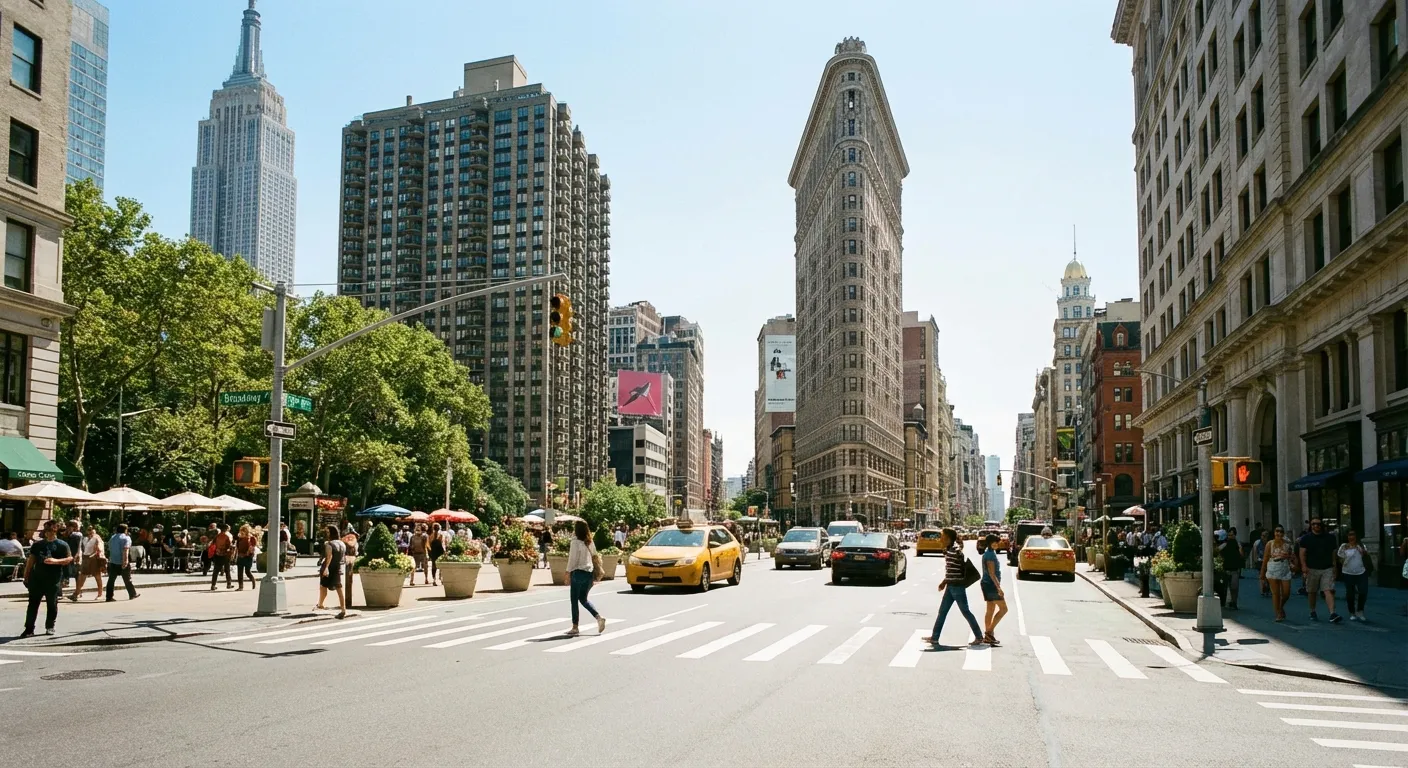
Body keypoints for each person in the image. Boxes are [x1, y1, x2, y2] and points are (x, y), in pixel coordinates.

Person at [924, 527, 984, 647]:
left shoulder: (953, 551)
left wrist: (945, 582)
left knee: (965, 611)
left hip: (956, 586)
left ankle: (979, 636)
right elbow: (952, 570)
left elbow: (956, 570)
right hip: (952, 585)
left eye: (942, 536)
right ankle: (934, 638)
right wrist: (945, 582)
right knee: (942, 612)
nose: (940, 538)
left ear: (948, 538)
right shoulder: (951, 549)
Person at [19, 520, 72, 637]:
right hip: (37, 578)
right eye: (47, 530)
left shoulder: (62, 545)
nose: (49, 533)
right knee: (33, 604)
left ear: (56, 530)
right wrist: (26, 576)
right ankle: (29, 629)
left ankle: (50, 626)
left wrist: (56, 561)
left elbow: (69, 559)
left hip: (53, 579)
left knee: (52, 604)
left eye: (51, 530)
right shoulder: (38, 545)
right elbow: (31, 560)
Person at [1298, 517, 1341, 623]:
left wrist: (1334, 567)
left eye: (1318, 524)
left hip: (1327, 568)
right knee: (1312, 592)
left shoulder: (1330, 538)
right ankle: (1312, 610)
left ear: (1321, 525)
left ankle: (1332, 613)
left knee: (1328, 590)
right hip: (1311, 568)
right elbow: (1302, 553)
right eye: (1313, 524)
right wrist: (1303, 566)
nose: (1316, 526)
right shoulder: (1306, 538)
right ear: (1311, 526)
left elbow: (1333, 553)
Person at [565, 520, 604, 636]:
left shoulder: (575, 542)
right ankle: (599, 617)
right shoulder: (589, 541)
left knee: (574, 600)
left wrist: (567, 572)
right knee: (583, 599)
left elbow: (572, 560)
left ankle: (575, 627)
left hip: (577, 573)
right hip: (589, 573)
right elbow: (595, 555)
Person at [1260, 525, 1293, 621]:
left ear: (1283, 533)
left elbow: (1292, 556)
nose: (1279, 533)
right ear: (1274, 533)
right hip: (1272, 568)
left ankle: (1280, 606)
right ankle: (1278, 613)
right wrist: (1262, 572)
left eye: (1281, 531)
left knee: (1286, 593)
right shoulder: (1270, 544)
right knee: (1276, 593)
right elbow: (1265, 558)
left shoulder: (1287, 544)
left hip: (1284, 569)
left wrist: (1293, 563)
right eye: (1277, 531)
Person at [979, 534, 1008, 646]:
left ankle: (988, 636)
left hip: (987, 584)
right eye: (994, 542)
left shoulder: (989, 553)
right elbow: (992, 573)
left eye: (997, 542)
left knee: (990, 610)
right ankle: (989, 632)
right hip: (990, 585)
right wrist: (998, 587)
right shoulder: (990, 555)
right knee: (1004, 609)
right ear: (989, 543)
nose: (996, 544)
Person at [1336, 529, 1369, 622]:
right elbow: (1340, 559)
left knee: (1363, 591)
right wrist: (1347, 556)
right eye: (1349, 535)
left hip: (1361, 572)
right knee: (1350, 594)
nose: (1351, 537)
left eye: (1353, 535)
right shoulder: (1343, 546)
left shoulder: (1361, 545)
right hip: (1348, 572)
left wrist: (1360, 549)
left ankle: (1360, 610)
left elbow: (1365, 554)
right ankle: (1352, 612)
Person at [316, 525, 347, 619]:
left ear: (331, 533)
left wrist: (326, 568)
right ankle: (343, 609)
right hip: (337, 567)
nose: (327, 534)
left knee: (323, 586)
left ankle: (320, 604)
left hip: (329, 567)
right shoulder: (342, 543)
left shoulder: (329, 544)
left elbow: (329, 557)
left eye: (328, 532)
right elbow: (343, 557)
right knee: (339, 588)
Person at [71, 525, 105, 602]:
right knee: (82, 576)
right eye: (89, 530)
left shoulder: (97, 538)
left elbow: (99, 549)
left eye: (92, 531)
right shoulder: (85, 539)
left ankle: (100, 594)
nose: (90, 533)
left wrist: (94, 553)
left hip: (94, 559)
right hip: (85, 558)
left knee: (97, 576)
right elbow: (81, 548)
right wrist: (79, 555)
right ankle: (76, 593)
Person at [1219, 530, 1244, 610]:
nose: (1230, 537)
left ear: (1235, 535)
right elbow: (1218, 550)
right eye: (1229, 535)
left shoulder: (1238, 544)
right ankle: (1225, 602)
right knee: (1225, 587)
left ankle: (1234, 602)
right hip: (1226, 568)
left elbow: (1242, 555)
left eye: (1232, 535)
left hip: (1235, 569)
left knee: (1234, 587)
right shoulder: (1225, 544)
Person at [210, 522, 234, 591]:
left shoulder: (217, 536)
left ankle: (213, 585)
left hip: (217, 554)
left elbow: (213, 543)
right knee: (227, 570)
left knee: (216, 571)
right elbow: (228, 546)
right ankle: (229, 584)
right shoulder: (227, 537)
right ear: (226, 529)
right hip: (225, 555)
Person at [234, 524, 257, 590]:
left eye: (243, 531)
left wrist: (248, 552)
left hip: (248, 557)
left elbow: (253, 547)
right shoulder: (240, 539)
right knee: (239, 573)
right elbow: (237, 548)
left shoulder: (251, 538)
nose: (241, 532)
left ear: (247, 531)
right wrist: (236, 556)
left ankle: (253, 581)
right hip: (240, 557)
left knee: (247, 572)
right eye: (241, 531)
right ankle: (240, 586)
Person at [62, 520, 83, 590]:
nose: (68, 528)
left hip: (75, 556)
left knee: (76, 573)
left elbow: (79, 546)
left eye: (70, 527)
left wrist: (78, 555)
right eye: (68, 526)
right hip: (68, 555)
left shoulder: (77, 535)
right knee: (66, 571)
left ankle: (78, 590)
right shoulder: (66, 535)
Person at [428, 522, 446, 587]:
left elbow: (429, 545)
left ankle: (434, 579)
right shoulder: (441, 535)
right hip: (439, 551)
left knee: (434, 566)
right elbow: (443, 544)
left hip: (434, 552)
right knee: (440, 565)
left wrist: (430, 553)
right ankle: (440, 578)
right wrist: (445, 552)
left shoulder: (430, 536)